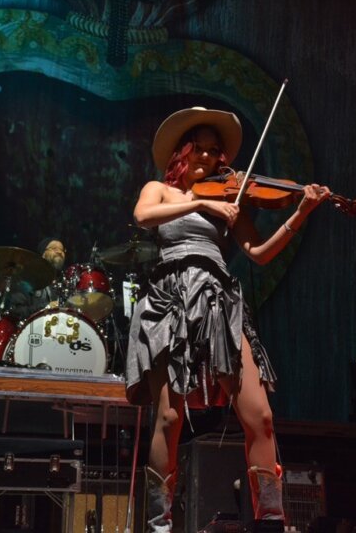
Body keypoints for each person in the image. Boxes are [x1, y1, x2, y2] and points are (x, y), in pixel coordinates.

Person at [125, 106, 330, 530]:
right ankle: (159, 525)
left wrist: (301, 212)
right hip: (171, 300)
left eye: (213, 150)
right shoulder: (161, 190)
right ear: (182, 153)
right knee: (168, 418)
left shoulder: (228, 198)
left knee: (261, 416)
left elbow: (259, 253)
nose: (206, 156)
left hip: (218, 300)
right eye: (197, 148)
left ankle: (270, 520)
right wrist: (200, 203)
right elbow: (142, 217)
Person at [9, 236, 67, 322]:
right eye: (54, 248)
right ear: (43, 254)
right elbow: (16, 311)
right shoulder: (28, 279)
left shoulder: (64, 284)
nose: (59, 252)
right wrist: (46, 307)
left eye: (62, 250)